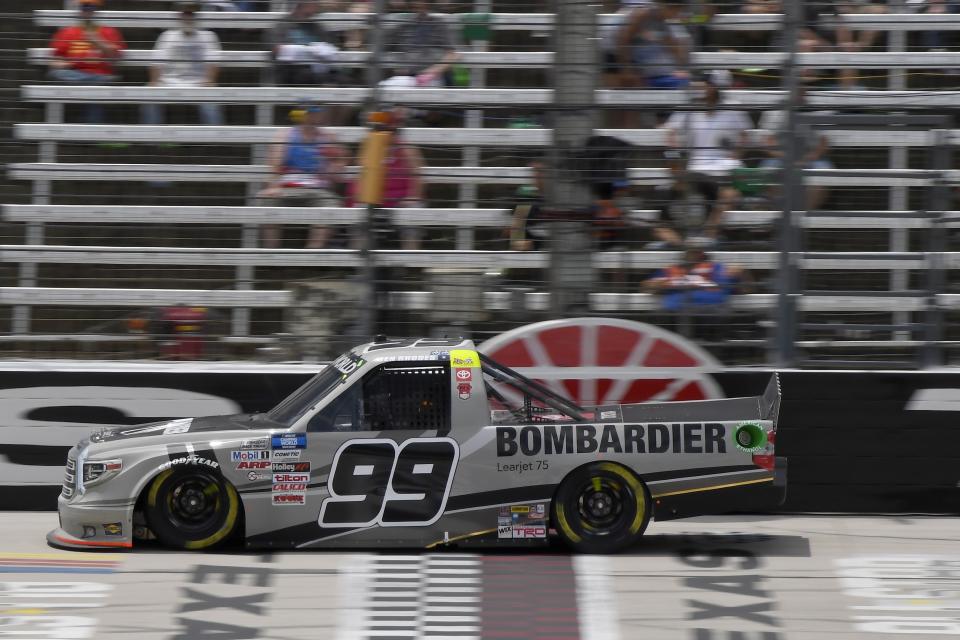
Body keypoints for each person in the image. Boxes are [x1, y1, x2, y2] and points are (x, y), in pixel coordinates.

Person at [662, 75, 752, 239]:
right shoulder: (689, 106)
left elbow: (745, 136)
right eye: (700, 85)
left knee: (731, 192)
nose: (701, 89)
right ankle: (701, 239)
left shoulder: (733, 107)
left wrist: (735, 155)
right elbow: (670, 132)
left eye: (707, 85)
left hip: (726, 165)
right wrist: (675, 159)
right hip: (697, 167)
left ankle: (709, 237)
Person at [259, 103, 347, 248]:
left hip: (317, 189)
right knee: (268, 201)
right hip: (287, 187)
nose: (314, 116)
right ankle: (272, 252)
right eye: (310, 113)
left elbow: (337, 173)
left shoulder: (328, 137)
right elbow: (275, 164)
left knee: (330, 205)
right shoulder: (285, 135)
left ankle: (313, 252)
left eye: (317, 112)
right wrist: (272, 186)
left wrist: (336, 160)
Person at [348, 106, 425, 249]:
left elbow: (417, 176)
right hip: (374, 199)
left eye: (393, 127)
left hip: (400, 200)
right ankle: (358, 264)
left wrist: (412, 197)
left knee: (413, 212)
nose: (391, 131)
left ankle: (409, 262)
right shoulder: (371, 146)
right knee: (360, 215)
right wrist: (360, 198)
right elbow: (361, 177)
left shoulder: (407, 149)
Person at [143, 2, 222, 127]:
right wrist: (154, 81)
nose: (188, 17)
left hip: (199, 83)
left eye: (192, 14)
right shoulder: (167, 36)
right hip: (168, 82)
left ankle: (216, 141)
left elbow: (214, 62)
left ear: (197, 16)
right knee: (148, 94)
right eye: (185, 14)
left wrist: (210, 80)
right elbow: (156, 62)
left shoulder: (208, 36)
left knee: (211, 97)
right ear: (179, 16)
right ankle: (151, 140)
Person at [48, 0, 125, 123]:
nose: (87, 11)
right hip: (77, 76)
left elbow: (116, 57)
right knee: (56, 74)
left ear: (97, 10)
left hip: (99, 74)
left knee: (95, 90)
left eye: (91, 7)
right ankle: (92, 82)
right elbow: (54, 63)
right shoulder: (67, 32)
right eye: (84, 7)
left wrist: (98, 42)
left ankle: (89, 138)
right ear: (79, 9)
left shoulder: (108, 31)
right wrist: (71, 63)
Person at [759, 83, 832, 210]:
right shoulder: (775, 109)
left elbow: (824, 142)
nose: (799, 91)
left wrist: (806, 159)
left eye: (802, 87)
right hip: (781, 156)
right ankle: (782, 217)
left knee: (823, 177)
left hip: (813, 157)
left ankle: (803, 219)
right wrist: (788, 157)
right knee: (767, 173)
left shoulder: (820, 108)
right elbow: (767, 143)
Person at [643, 243, 745, 313]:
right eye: (690, 250)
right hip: (677, 311)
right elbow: (647, 286)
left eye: (697, 251)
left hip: (710, 311)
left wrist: (740, 272)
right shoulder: (671, 270)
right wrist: (661, 284)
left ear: (703, 254)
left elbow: (745, 288)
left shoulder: (715, 268)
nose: (693, 254)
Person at [383, 0, 459, 86]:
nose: (415, 3)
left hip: (433, 76)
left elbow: (453, 54)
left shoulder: (439, 24)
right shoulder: (404, 25)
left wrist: (432, 72)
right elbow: (384, 46)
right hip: (408, 76)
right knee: (387, 88)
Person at [616, 0, 690, 89]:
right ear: (669, 7)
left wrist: (680, 68)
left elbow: (674, 46)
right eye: (677, 11)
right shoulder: (642, 15)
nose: (677, 15)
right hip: (640, 72)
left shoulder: (664, 22)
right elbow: (623, 39)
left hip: (658, 73)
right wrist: (626, 69)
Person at [267, 0, 342, 86]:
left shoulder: (317, 27)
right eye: (314, 4)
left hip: (317, 69)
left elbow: (330, 49)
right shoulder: (282, 25)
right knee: (306, 74)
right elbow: (277, 49)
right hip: (292, 70)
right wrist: (309, 50)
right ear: (302, 5)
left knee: (341, 78)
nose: (317, 7)